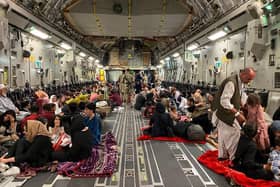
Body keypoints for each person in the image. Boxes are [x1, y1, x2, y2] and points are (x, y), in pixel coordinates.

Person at [212, 67, 256, 161]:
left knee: (223, 135)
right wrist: (237, 114)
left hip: (225, 113)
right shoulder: (231, 82)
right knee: (235, 134)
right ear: (243, 74)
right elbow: (224, 101)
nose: (249, 82)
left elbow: (239, 95)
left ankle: (222, 157)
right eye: (248, 79)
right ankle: (233, 160)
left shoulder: (240, 83)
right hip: (224, 113)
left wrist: (244, 106)